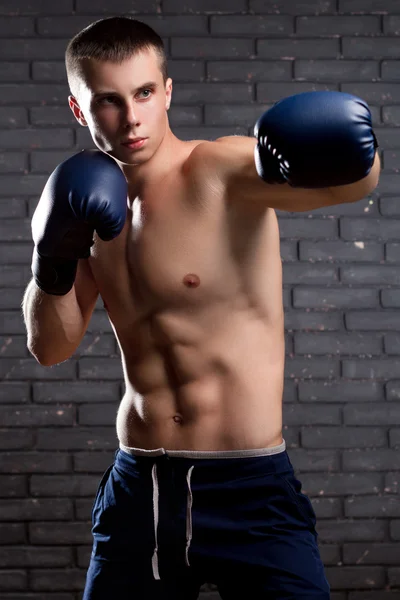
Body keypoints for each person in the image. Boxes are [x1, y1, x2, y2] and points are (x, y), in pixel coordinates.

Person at [22, 16, 380, 600]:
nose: (131, 117)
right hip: (140, 486)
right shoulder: (85, 202)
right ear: (77, 108)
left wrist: (356, 153)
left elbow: (353, 183)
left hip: (250, 488)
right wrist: (52, 261)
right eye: (108, 101)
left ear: (167, 92)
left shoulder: (218, 171)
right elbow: (50, 348)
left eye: (143, 93)